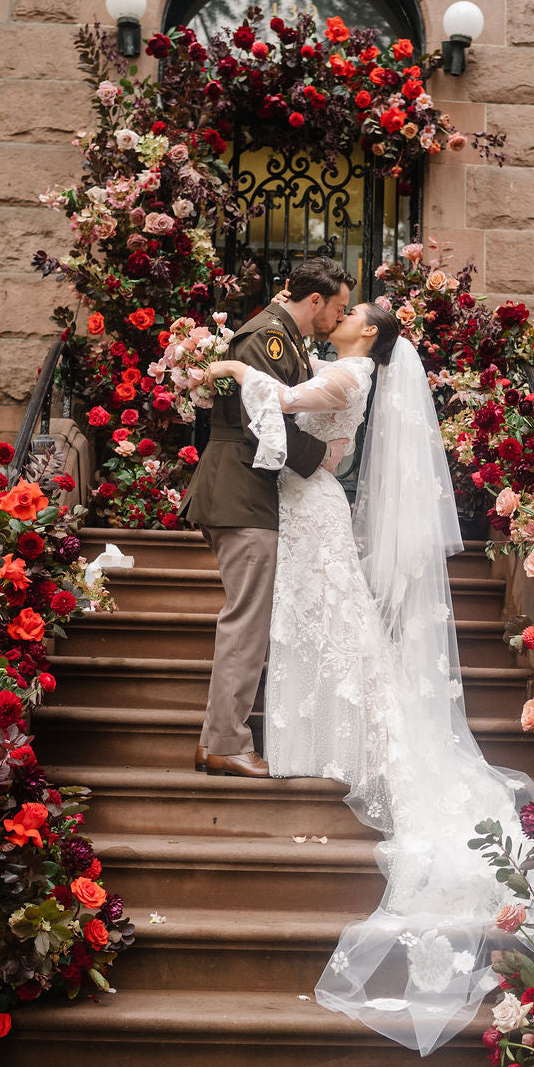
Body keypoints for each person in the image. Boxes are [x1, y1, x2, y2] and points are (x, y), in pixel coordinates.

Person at [207, 304, 534, 1054]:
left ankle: (330, 741)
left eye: (356, 312)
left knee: (329, 629)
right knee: (316, 629)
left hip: (312, 508)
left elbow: (285, 401)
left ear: (370, 337)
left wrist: (226, 366)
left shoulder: (352, 371)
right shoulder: (339, 364)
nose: (346, 313)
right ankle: (308, 736)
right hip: (299, 503)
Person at [181, 256, 351, 778]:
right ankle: (227, 743)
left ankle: (219, 740)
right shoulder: (267, 337)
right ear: (315, 301)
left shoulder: (286, 338)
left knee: (249, 620)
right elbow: (260, 421)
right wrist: (319, 458)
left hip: (251, 493)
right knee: (246, 623)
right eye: (338, 309)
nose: (339, 320)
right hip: (241, 492)